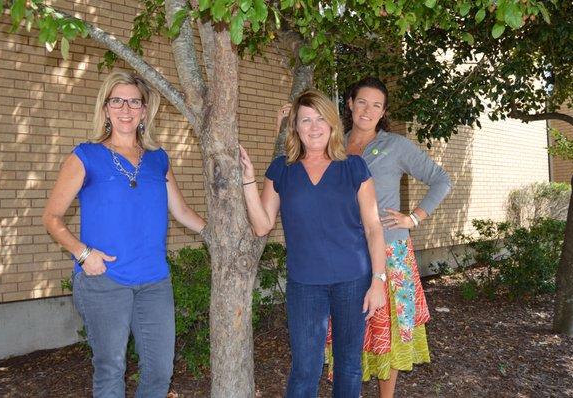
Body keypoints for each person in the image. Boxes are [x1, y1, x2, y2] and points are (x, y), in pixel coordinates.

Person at [276, 77, 452, 398]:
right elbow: (292, 170)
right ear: (349, 104)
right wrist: (287, 126)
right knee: (347, 337)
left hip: (388, 251)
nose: (367, 110)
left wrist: (413, 217)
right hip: (342, 257)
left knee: (388, 334)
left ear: (383, 111)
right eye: (361, 102)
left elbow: (441, 180)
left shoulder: (395, 145)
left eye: (376, 105)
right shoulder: (333, 141)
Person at [42, 70, 206, 397]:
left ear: (145, 111)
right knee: (110, 368)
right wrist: (84, 254)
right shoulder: (86, 156)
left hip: (154, 280)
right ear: (105, 108)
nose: (126, 109)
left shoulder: (158, 159)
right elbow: (52, 216)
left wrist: (218, 236)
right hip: (104, 279)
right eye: (117, 100)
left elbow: (182, 212)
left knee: (160, 369)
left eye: (134, 101)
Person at [239, 89, 387, 397]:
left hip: (353, 280)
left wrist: (378, 281)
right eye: (306, 120)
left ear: (332, 124)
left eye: (320, 119)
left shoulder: (353, 167)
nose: (314, 127)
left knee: (349, 365)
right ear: (295, 127)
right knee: (305, 367)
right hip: (305, 284)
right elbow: (262, 225)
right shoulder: (282, 169)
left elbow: (373, 227)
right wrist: (248, 181)